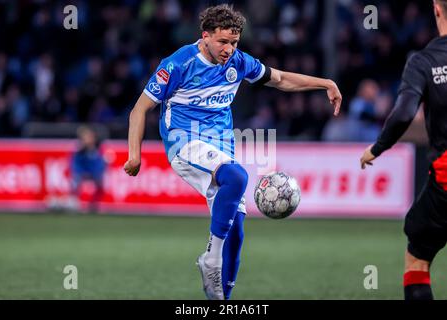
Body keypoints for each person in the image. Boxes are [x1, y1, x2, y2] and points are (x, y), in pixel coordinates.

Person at [124, 4, 342, 300]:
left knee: (237, 232)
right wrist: (134, 154)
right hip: (184, 142)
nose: (229, 49)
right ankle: (210, 258)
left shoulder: (239, 62)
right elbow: (139, 109)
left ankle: (221, 302)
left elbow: (280, 79)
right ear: (205, 36)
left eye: (234, 42)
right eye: (223, 42)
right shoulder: (178, 63)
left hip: (220, 148)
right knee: (238, 177)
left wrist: (324, 83)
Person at [360, 0, 447, 300]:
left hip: (445, 179)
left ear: (437, 8)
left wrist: (378, 147)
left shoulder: (425, 61)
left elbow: (403, 112)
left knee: (418, 260)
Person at [70, 125, 107, 213]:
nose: (88, 139)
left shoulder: (98, 149)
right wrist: (80, 172)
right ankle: (74, 203)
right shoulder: (78, 150)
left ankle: (94, 205)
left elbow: (100, 165)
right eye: (86, 137)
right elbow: (75, 164)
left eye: (90, 137)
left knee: (100, 183)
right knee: (75, 182)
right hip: (81, 173)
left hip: (94, 173)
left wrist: (96, 173)